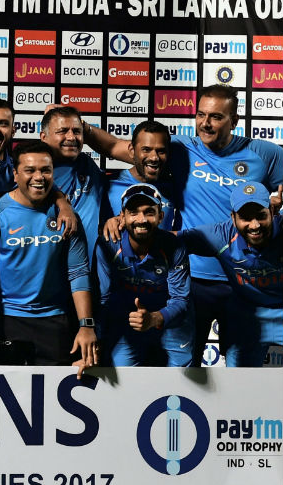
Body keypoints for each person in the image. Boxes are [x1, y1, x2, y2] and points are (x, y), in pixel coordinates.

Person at [83, 85, 283, 365]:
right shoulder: (179, 149)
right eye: (201, 114)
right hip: (193, 280)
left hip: (242, 284)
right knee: (186, 370)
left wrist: (277, 200)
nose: (205, 123)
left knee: (242, 370)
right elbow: (115, 146)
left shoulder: (265, 153)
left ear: (234, 121)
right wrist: (78, 125)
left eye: (216, 116)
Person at [0, 141, 98, 374]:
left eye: (46, 170)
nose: (39, 177)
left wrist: (86, 325)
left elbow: (78, 273)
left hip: (55, 321)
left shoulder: (67, 216)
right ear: (15, 174)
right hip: (5, 321)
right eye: (30, 170)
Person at [179, 182, 282, 367]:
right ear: (233, 219)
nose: (255, 225)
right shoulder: (221, 235)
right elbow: (165, 241)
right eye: (245, 218)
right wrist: (119, 224)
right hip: (249, 316)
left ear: (273, 213)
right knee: (239, 384)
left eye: (261, 216)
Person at [94, 184, 192, 367]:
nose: (142, 220)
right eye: (134, 212)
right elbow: (103, 298)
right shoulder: (108, 245)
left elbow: (180, 299)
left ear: (160, 216)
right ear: (122, 217)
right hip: (128, 321)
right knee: (121, 376)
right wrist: (97, 338)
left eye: (149, 212)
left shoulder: (173, 246)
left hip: (170, 322)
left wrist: (154, 318)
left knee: (183, 381)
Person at [39, 105, 109, 265]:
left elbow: (114, 148)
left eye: (77, 131)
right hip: (46, 276)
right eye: (62, 131)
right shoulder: (29, 173)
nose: (71, 137)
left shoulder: (87, 164)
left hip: (87, 275)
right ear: (44, 137)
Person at [104, 120, 179, 234]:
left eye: (161, 151)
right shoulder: (107, 184)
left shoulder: (176, 187)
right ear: (132, 151)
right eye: (146, 150)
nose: (154, 158)